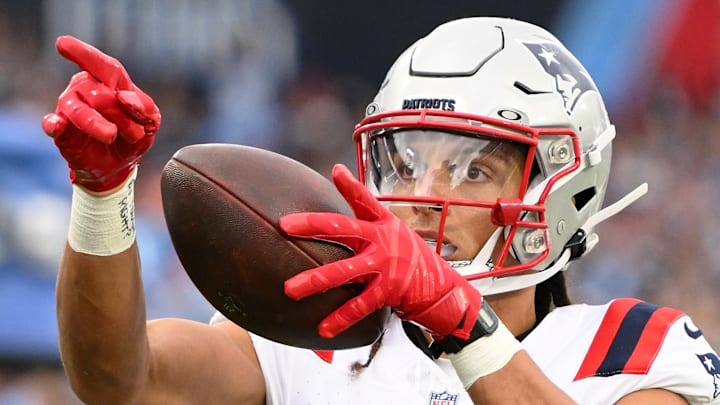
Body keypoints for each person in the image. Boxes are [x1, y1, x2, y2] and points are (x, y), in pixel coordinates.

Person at [42, 17, 719, 405]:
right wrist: (102, 196)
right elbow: (117, 380)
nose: (423, 195)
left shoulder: (635, 346)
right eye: (404, 161)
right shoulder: (318, 336)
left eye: (473, 168)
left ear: (562, 185)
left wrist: (462, 326)